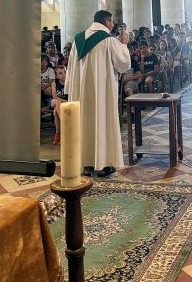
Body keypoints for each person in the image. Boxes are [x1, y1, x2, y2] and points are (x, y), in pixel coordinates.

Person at [65, 10, 131, 176]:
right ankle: (102, 165)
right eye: (112, 22)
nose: (113, 25)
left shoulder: (78, 39)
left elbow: (70, 68)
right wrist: (124, 44)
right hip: (102, 93)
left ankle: (86, 165)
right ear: (107, 22)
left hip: (80, 93)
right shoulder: (109, 40)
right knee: (102, 123)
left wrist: (70, 89)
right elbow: (123, 64)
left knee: (84, 125)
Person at [50, 65, 68, 145]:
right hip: (54, 101)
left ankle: (57, 135)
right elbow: (54, 96)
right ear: (57, 76)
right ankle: (64, 122)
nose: (64, 74)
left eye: (65, 72)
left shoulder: (70, 82)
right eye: (60, 73)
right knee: (57, 101)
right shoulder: (54, 83)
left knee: (56, 112)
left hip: (64, 104)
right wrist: (64, 101)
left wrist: (65, 102)